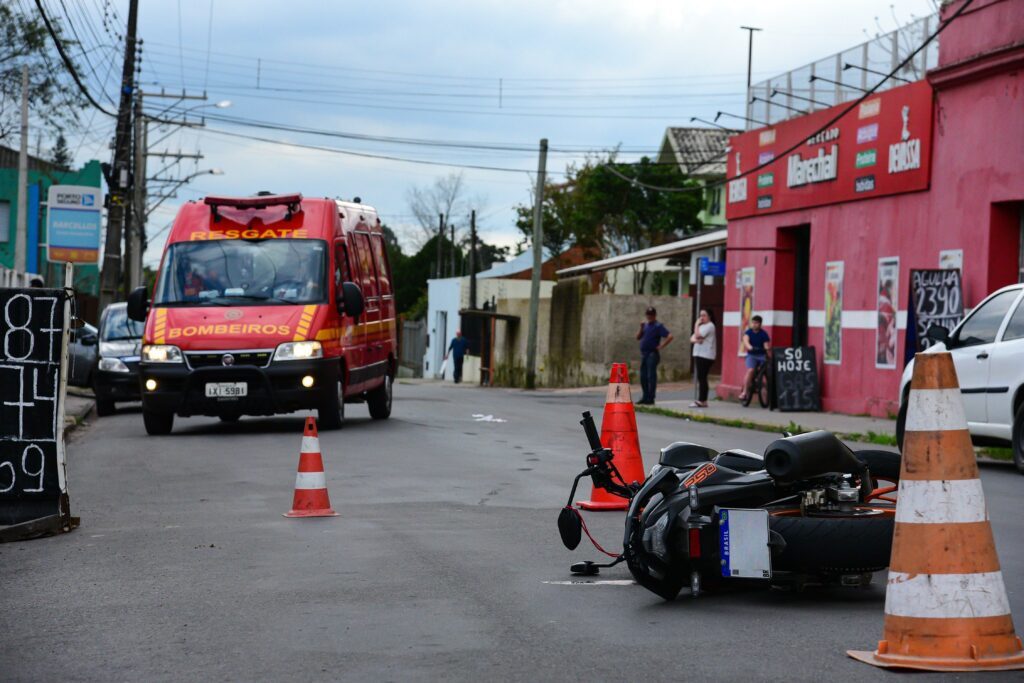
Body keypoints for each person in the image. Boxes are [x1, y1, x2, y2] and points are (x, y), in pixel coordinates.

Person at [635, 306, 673, 405]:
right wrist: (641, 328)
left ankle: (651, 398)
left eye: (651, 315)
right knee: (643, 376)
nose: (650, 316)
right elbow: (638, 337)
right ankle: (645, 396)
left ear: (655, 315)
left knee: (651, 376)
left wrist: (661, 346)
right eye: (648, 314)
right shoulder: (645, 325)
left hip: (652, 354)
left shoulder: (658, 326)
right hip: (644, 354)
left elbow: (670, 336)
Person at [739, 314, 771, 402]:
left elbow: (766, 345)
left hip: (761, 356)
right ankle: (744, 392)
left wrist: (767, 349)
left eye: (756, 323)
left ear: (760, 324)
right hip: (751, 355)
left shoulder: (764, 334)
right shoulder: (748, 332)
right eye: (753, 323)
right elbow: (746, 341)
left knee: (764, 370)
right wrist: (750, 347)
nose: (754, 324)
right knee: (750, 370)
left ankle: (759, 381)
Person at [689, 308, 716, 408]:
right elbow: (692, 338)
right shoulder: (702, 326)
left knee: (702, 377)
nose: (701, 318)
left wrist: (696, 324)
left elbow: (698, 335)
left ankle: (702, 400)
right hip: (698, 353)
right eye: (700, 315)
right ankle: (702, 399)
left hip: (706, 355)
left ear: (709, 316)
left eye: (704, 315)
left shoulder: (710, 326)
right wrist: (696, 340)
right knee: (701, 377)